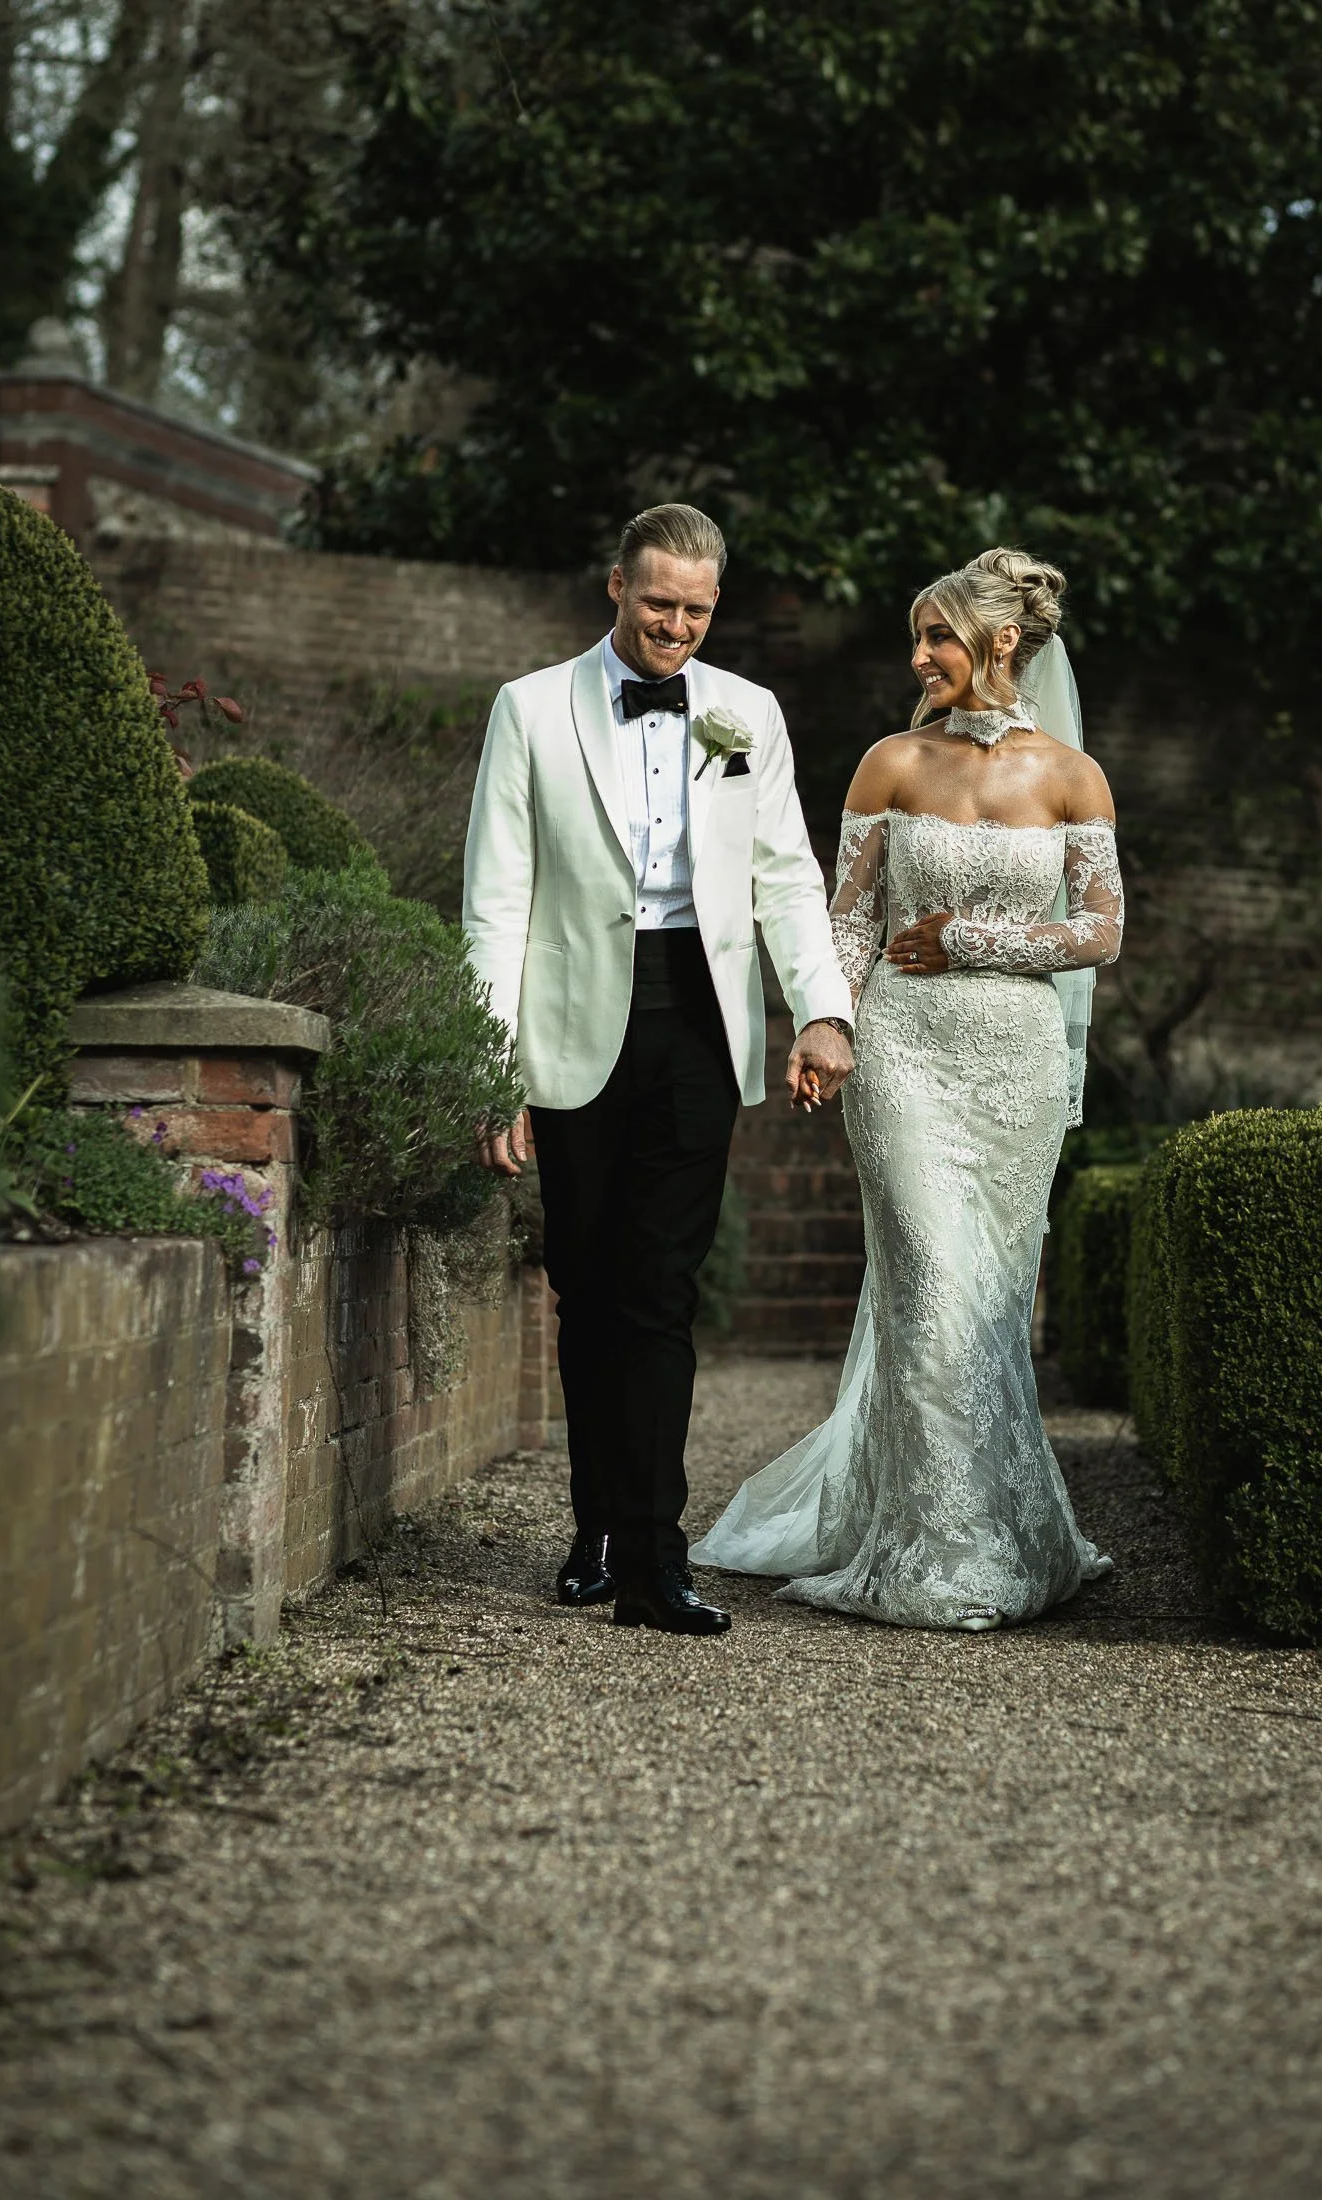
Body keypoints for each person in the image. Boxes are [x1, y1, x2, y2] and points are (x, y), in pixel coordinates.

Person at [691, 548, 1123, 1631]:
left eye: (938, 637)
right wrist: (825, 1021)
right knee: (928, 1278)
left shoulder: (1072, 776)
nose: (919, 656)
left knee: (985, 1304)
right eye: (918, 636)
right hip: (903, 1057)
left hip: (1015, 1063)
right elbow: (846, 916)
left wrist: (970, 937)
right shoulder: (888, 761)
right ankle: (946, 1551)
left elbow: (1104, 930)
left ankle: (1012, 1530)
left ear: (1002, 642)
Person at [463, 503, 855, 1635]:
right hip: (570, 1019)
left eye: (694, 609)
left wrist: (820, 1010)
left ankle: (651, 1556)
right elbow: (496, 900)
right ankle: (593, 1521)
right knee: (586, 1278)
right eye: (656, 604)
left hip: (699, 1015)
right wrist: (491, 1065)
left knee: (657, 1290)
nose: (675, 626)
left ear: (714, 605)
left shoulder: (750, 714)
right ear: (615, 589)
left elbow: (786, 873)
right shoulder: (530, 709)